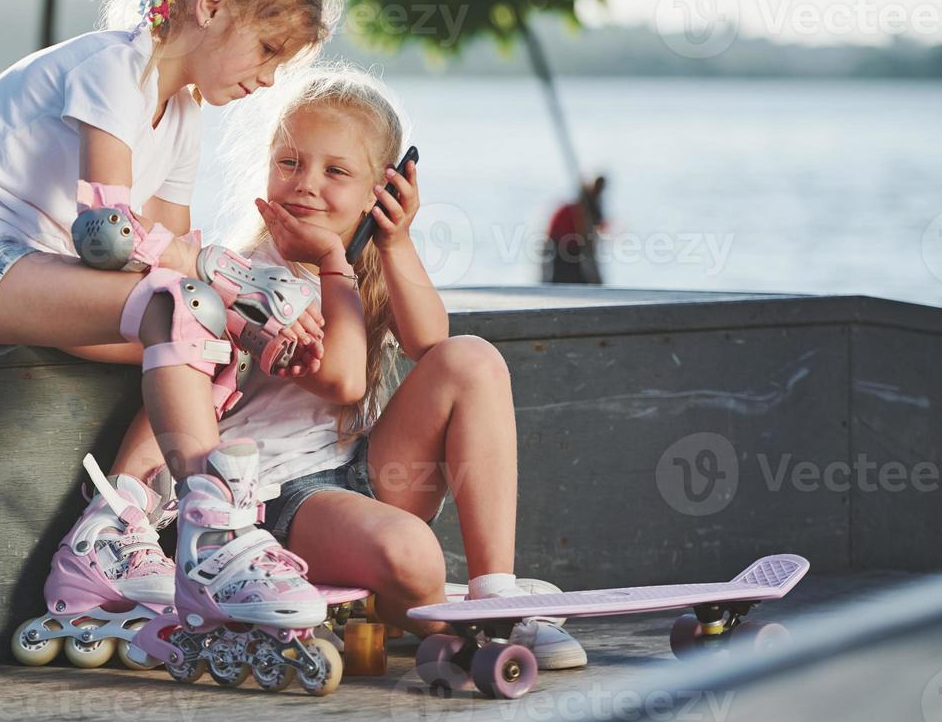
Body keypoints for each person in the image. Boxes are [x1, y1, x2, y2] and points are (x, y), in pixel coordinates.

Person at [0, 0, 341, 673]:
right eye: (267, 51)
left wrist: (251, 321)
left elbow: (161, 254)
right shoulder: (114, 69)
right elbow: (108, 241)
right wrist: (236, 276)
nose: (269, 80)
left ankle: (114, 530)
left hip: (36, 274)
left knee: (215, 344)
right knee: (185, 307)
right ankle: (213, 535)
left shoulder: (184, 115)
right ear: (212, 6)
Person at [81, 66, 586, 672]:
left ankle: (495, 595)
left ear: (383, 188)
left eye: (337, 172)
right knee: (416, 553)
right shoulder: (250, 280)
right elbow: (342, 378)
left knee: (471, 359)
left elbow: (431, 342)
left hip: (364, 469)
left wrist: (395, 243)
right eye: (289, 163)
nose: (306, 186)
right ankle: (441, 622)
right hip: (280, 502)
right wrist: (327, 259)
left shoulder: (364, 263)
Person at [543, 175, 607, 284]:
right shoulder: (574, 211)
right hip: (563, 246)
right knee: (565, 279)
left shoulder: (589, 209)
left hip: (574, 248)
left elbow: (596, 227)